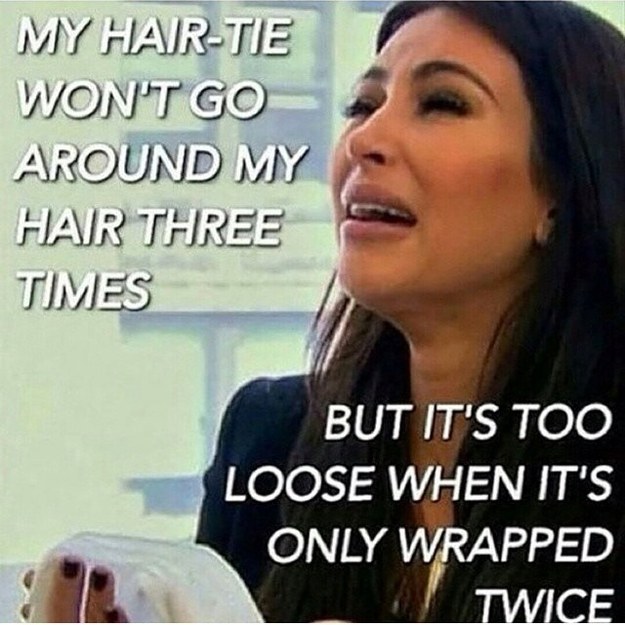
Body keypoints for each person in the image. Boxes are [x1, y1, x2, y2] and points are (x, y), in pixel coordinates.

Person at [20, 0, 625, 622]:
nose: (365, 140)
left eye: (442, 103)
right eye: (362, 106)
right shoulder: (271, 438)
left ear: (563, 189)